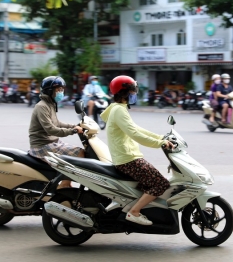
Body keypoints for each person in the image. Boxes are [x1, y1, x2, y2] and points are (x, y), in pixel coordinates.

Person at [100, 75, 174, 226]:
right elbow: (135, 134)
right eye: (133, 90)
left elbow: (136, 129)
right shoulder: (119, 111)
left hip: (128, 157)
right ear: (124, 92)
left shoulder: (118, 109)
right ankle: (134, 212)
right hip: (128, 159)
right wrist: (160, 143)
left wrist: (161, 137)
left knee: (150, 182)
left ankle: (137, 208)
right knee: (161, 184)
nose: (135, 93)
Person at [28, 76, 84, 189]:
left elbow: (57, 123)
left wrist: (75, 126)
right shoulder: (42, 106)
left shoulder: (50, 104)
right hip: (42, 146)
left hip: (52, 143)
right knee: (79, 153)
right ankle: (64, 184)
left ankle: (66, 183)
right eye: (58, 89)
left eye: (62, 89)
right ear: (49, 91)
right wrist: (72, 131)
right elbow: (51, 129)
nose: (61, 92)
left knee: (80, 152)